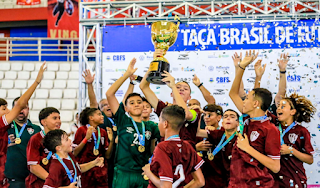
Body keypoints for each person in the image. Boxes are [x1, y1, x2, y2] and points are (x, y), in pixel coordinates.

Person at [228, 50, 281, 187]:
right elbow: (233, 93)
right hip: (237, 183)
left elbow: (275, 167)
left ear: (256, 104)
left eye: (247, 99)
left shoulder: (270, 129)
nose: (243, 101)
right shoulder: (246, 119)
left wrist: (248, 148)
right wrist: (241, 67)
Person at [106, 58, 160, 188]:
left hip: (143, 173)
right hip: (123, 172)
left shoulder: (151, 126)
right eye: (132, 103)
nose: (136, 104)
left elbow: (153, 148)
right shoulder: (123, 120)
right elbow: (110, 94)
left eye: (139, 102)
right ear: (126, 108)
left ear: (145, 106)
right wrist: (126, 75)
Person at [0, 62, 46, 188]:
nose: (9, 112)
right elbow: (20, 104)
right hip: (9, 178)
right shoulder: (4, 125)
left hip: (28, 177)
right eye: (5, 109)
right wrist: (37, 81)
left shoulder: (36, 129)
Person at [142, 105, 205, 188]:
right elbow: (200, 181)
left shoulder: (162, 147)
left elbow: (166, 186)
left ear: (165, 124)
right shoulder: (187, 146)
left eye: (160, 120)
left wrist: (148, 172)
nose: (158, 124)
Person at [273, 93, 315, 188]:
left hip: (295, 180)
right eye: (278, 106)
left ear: (292, 112)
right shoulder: (272, 126)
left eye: (283, 106)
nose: (278, 108)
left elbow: (310, 159)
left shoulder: (301, 131)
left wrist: (291, 150)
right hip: (274, 181)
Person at [197, 109, 239, 188]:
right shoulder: (217, 134)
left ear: (238, 123)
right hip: (213, 181)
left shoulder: (240, 140)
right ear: (222, 122)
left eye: (232, 117)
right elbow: (198, 132)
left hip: (232, 181)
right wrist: (197, 115)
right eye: (226, 117)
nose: (228, 118)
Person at [5, 97, 41, 188]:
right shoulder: (5, 127)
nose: (21, 111)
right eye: (18, 108)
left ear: (28, 109)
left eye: (23, 108)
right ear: (13, 110)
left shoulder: (36, 129)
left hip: (32, 179)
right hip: (10, 179)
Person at [73, 107, 114, 188]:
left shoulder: (103, 132)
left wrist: (111, 141)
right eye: (99, 114)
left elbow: (107, 156)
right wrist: (86, 138)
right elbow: (75, 153)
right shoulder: (82, 130)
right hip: (86, 172)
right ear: (91, 118)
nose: (102, 116)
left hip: (101, 172)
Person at [25, 107, 61, 188]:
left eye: (59, 118)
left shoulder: (62, 138)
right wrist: (52, 181)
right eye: (54, 118)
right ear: (44, 122)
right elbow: (34, 167)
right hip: (41, 184)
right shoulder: (36, 139)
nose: (58, 121)